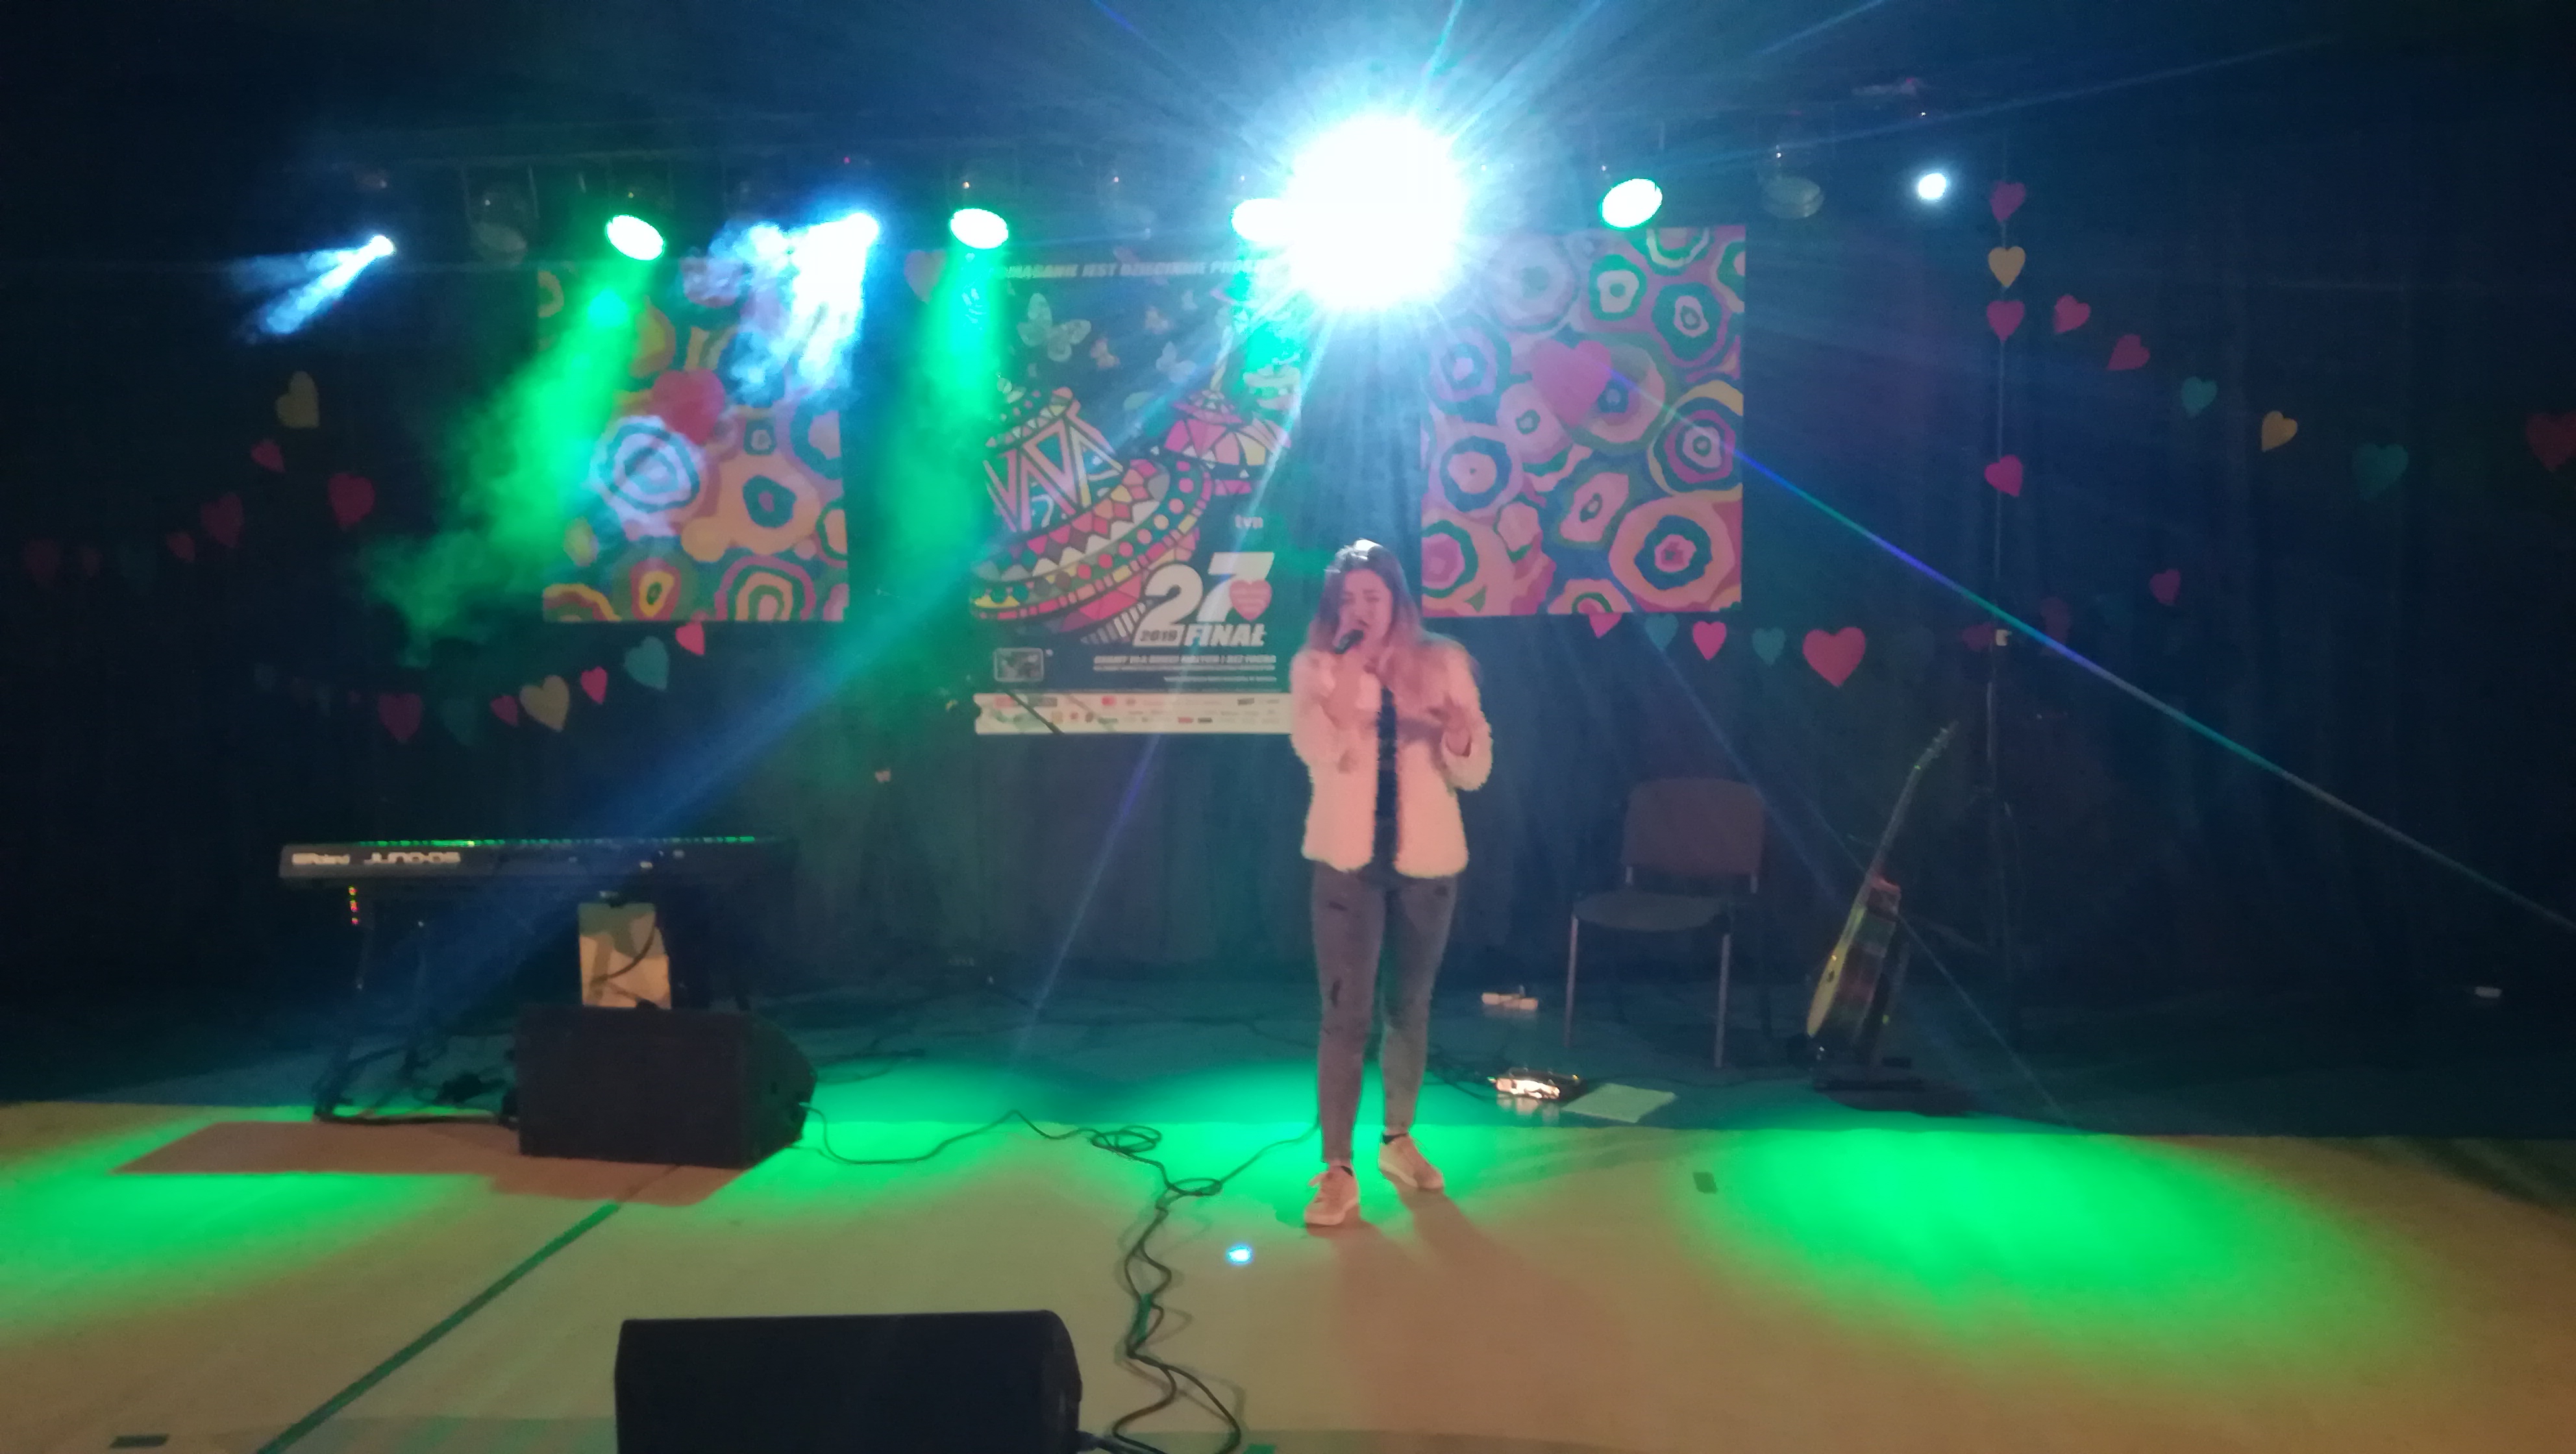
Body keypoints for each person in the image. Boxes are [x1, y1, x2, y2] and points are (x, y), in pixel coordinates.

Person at [1287, 539, 1492, 1227]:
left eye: (1372, 597)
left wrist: (1458, 733)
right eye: (1348, 598)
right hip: (1346, 864)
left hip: (1425, 863)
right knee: (1344, 1016)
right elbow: (1318, 749)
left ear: (1397, 602)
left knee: (1409, 1006)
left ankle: (1398, 1139)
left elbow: (1474, 771)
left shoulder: (1442, 662)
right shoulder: (1316, 667)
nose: (1360, 608)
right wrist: (1348, 668)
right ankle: (1337, 1169)